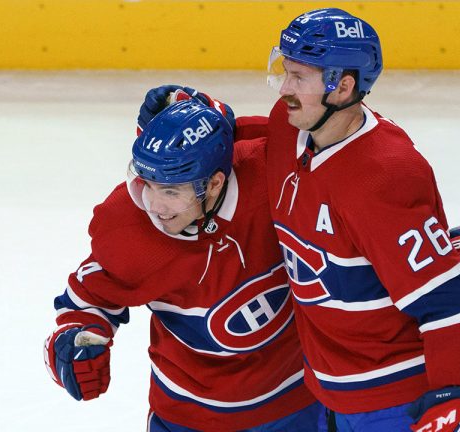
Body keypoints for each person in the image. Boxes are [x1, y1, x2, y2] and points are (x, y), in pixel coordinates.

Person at [137, 8, 460, 432]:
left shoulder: (383, 176)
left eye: (299, 78)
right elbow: (237, 134)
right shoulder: (291, 127)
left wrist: (448, 397)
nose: (285, 88)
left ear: (342, 88)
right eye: (284, 71)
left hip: (397, 400)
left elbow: (452, 304)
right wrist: (197, 114)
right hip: (327, 392)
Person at [42, 99, 321, 431]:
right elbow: (89, 300)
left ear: (215, 183)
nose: (156, 206)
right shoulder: (128, 228)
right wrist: (73, 339)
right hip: (186, 415)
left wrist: (223, 123)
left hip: (296, 404)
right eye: (149, 184)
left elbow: (335, 136)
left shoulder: (271, 179)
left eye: (172, 191)